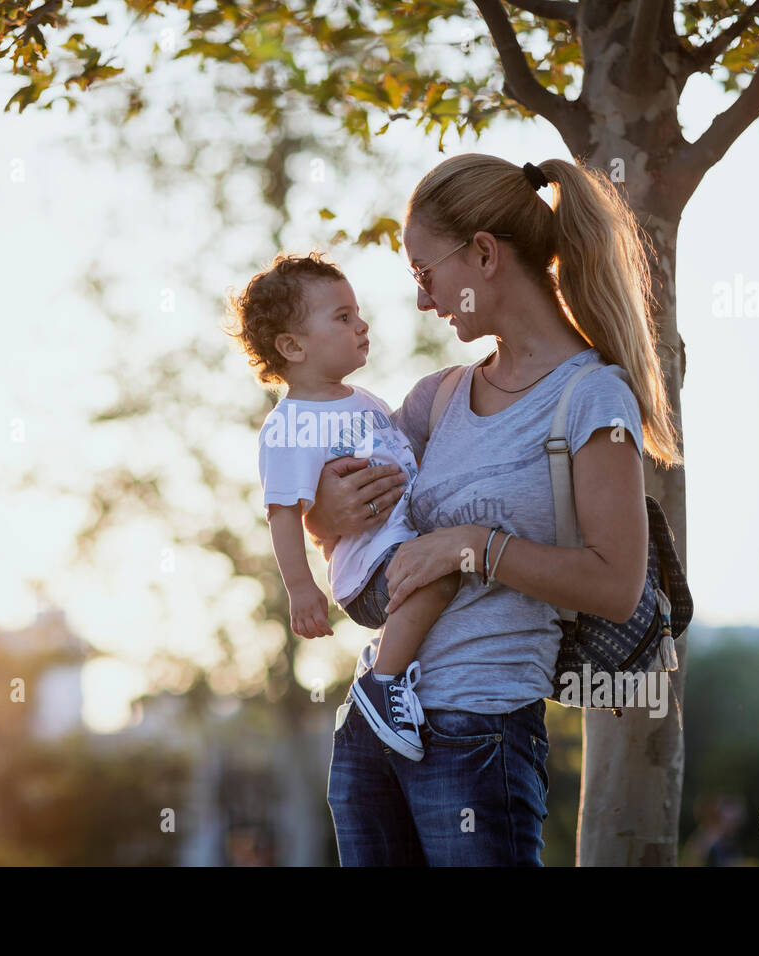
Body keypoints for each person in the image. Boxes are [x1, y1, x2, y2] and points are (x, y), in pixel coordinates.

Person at [303, 154, 684, 866]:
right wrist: (323, 506)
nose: (422, 300)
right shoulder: (435, 399)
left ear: (483, 253)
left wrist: (471, 545)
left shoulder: (592, 398)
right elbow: (342, 532)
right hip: (372, 727)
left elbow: (615, 583)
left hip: (480, 740)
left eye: (425, 274)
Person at [223, 252, 462, 762]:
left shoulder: (366, 401)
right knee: (440, 575)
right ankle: (383, 682)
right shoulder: (290, 425)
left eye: (357, 313)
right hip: (368, 570)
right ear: (293, 346)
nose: (362, 325)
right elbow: (284, 512)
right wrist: (301, 587)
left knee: (446, 564)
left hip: (399, 546)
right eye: (342, 318)